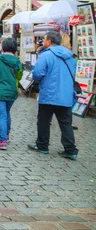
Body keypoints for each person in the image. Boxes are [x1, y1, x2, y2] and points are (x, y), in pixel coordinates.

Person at [28, 31, 79, 159]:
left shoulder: (46, 55)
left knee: (44, 121)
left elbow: (38, 73)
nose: (42, 42)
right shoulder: (70, 56)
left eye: (44, 39)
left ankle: (42, 145)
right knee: (66, 123)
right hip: (66, 95)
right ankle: (71, 149)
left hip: (49, 95)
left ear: (49, 41)